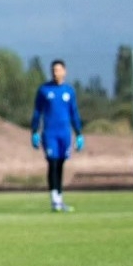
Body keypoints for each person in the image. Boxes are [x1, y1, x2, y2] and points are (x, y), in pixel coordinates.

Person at [31, 59, 83, 212]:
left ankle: (60, 199)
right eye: (54, 70)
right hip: (50, 133)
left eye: (58, 70)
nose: (56, 73)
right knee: (52, 163)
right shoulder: (44, 90)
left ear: (64, 71)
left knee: (60, 164)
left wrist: (79, 133)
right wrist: (34, 131)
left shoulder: (69, 91)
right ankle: (54, 199)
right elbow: (37, 112)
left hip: (64, 134)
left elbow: (74, 113)